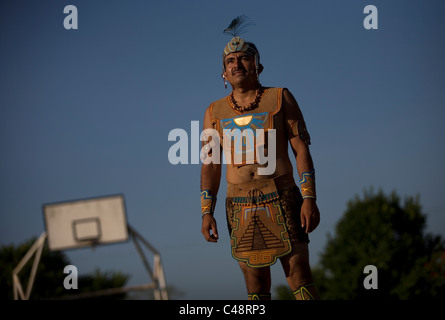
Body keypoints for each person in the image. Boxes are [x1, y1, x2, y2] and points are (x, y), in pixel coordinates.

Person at [200, 16, 320, 300]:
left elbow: (300, 149)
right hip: (238, 204)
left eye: (244, 58)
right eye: (230, 61)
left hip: (283, 195)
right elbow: (211, 164)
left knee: (299, 273)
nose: (237, 64)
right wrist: (207, 211)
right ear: (223, 75)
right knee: (255, 285)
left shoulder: (280, 97)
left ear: (258, 66)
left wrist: (309, 198)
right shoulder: (213, 112)